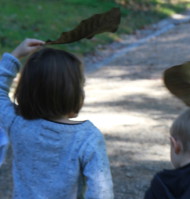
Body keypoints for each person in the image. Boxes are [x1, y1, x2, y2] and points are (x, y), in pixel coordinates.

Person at [0, 39, 114, 199]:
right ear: (73, 93)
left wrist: (16, 55)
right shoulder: (87, 137)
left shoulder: (16, 123)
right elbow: (101, 193)